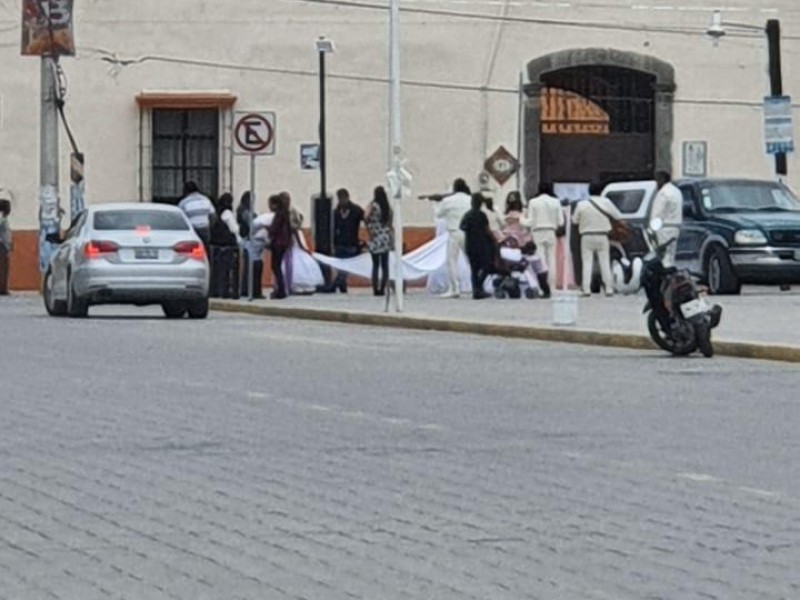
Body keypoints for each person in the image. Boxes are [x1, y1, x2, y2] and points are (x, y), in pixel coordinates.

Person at [573, 182, 623, 297]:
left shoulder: (582, 204)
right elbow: (617, 216)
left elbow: (575, 220)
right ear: (601, 191)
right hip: (603, 235)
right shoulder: (606, 202)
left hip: (586, 236)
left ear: (588, 191)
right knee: (605, 262)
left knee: (587, 263)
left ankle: (586, 289)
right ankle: (609, 289)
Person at [320, 188, 364, 293]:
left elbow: (366, 219)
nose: (341, 200)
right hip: (339, 243)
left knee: (346, 267)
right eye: (339, 198)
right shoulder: (335, 212)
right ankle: (342, 287)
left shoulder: (356, 210)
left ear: (347, 197)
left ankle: (333, 286)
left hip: (351, 243)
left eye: (343, 198)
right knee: (341, 267)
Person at [434, 178, 472, 298]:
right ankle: (474, 286)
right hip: (468, 233)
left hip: (454, 232)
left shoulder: (448, 200)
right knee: (471, 261)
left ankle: (455, 288)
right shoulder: (469, 199)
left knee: (452, 262)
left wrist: (436, 203)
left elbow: (439, 214)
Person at [523, 182, 565, 288]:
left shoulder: (533, 202)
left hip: (538, 231)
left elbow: (530, 221)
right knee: (552, 259)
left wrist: (521, 220)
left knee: (541, 260)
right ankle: (552, 286)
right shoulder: (556, 202)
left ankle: (542, 286)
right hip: (551, 231)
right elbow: (561, 222)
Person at [460, 193, 495, 300]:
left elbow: (462, 226)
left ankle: (477, 290)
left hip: (470, 245)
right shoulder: (482, 215)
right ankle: (478, 288)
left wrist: (470, 230)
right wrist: (493, 239)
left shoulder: (467, 215)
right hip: (482, 245)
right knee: (487, 266)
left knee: (474, 269)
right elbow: (487, 229)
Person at [209, 193, 240, 299]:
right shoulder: (227, 213)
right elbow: (234, 229)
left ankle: (216, 291)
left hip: (216, 245)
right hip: (228, 245)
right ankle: (226, 292)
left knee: (217, 270)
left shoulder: (217, 212)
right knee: (228, 270)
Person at [365, 185, 394, 296]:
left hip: (375, 237)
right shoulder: (388, 207)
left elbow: (366, 217)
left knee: (376, 265)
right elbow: (390, 223)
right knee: (385, 265)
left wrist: (370, 203)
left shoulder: (374, 206)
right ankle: (382, 288)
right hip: (386, 237)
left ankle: (375, 289)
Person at [651, 170, 683, 268]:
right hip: (676, 227)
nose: (656, 183)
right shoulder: (676, 191)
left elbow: (657, 214)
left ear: (662, 180)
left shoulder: (663, 193)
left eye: (657, 180)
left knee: (663, 257)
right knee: (671, 256)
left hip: (665, 228)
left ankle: (665, 278)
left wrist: (652, 230)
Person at [237, 191, 265, 299]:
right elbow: (251, 223)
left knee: (249, 266)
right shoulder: (244, 211)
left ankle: (246, 288)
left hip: (249, 240)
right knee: (251, 266)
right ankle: (249, 289)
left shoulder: (243, 209)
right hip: (247, 240)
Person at [267, 194, 292, 300]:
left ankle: (281, 290)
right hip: (284, 243)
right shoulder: (285, 213)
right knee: (277, 266)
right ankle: (281, 289)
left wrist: (269, 232)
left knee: (275, 266)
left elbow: (274, 228)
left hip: (278, 243)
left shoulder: (279, 215)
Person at [178, 181, 215, 251]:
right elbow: (213, 215)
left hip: (192, 230)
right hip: (205, 229)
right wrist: (210, 227)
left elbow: (180, 218)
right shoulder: (206, 199)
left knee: (192, 250)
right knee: (205, 249)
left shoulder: (184, 202)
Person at [0, 192, 12, 296]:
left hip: (4, 245)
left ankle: (3, 288)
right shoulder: (2, 219)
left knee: (4, 268)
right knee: (3, 268)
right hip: (2, 246)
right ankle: (2, 289)